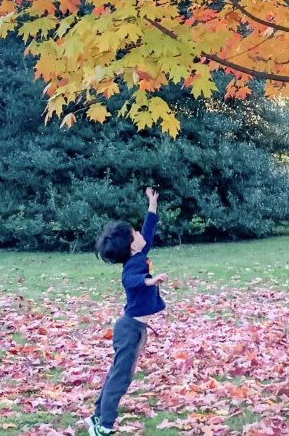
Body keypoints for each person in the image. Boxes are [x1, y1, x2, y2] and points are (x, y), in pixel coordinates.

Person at [85, 187, 168, 436]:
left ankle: (97, 416)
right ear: (132, 247)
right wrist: (149, 282)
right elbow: (130, 281)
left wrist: (152, 206)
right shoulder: (133, 266)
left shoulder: (138, 254)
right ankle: (105, 426)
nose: (142, 234)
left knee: (117, 373)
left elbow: (149, 232)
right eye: (136, 234)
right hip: (129, 329)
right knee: (121, 378)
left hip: (135, 328)